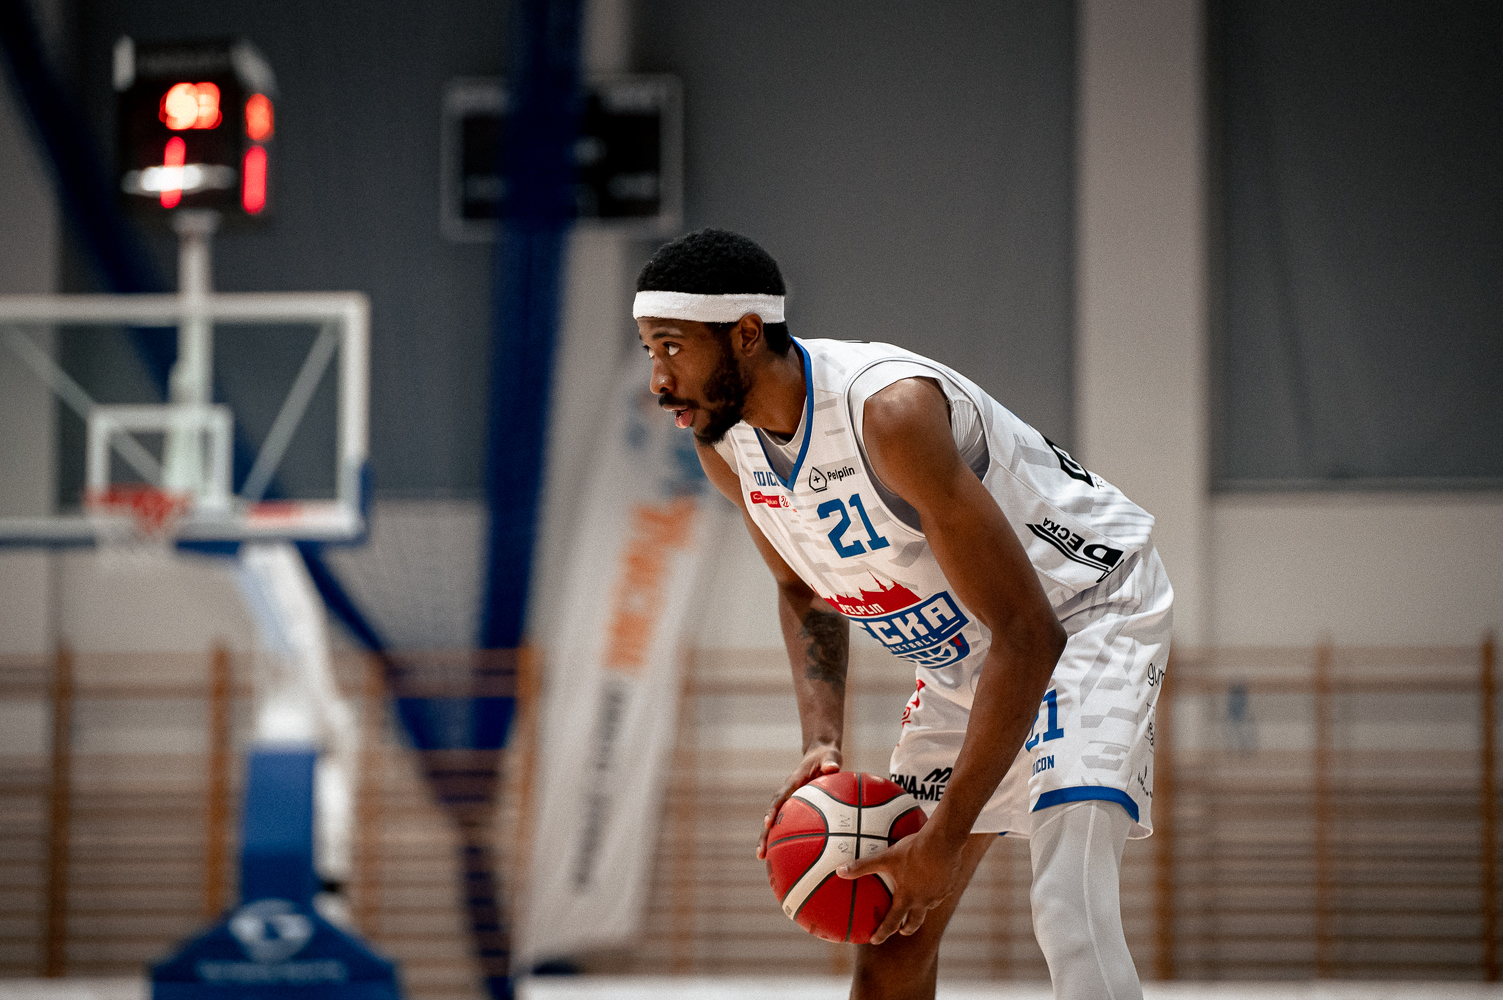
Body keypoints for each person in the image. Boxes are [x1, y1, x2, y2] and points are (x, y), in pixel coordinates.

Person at [635, 229, 1171, 1000]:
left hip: (1084, 615)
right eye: (649, 351)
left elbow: (1029, 636)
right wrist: (820, 741)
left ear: (746, 334)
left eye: (671, 348)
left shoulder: (888, 414)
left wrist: (945, 839)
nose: (658, 380)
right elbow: (803, 591)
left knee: (1066, 905)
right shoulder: (726, 447)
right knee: (891, 937)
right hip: (971, 653)